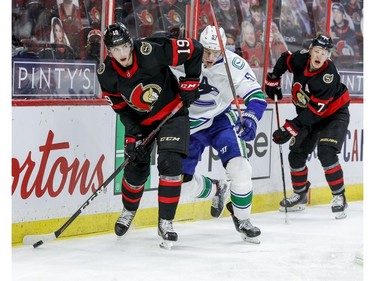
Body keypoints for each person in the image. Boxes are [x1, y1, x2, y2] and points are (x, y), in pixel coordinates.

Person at [96, 22, 203, 249]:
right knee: (135, 168)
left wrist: (191, 81)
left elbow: (195, 48)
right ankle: (128, 211)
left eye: (125, 47)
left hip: (172, 112)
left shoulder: (151, 51)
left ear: (131, 44)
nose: (122, 54)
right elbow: (121, 109)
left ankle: (165, 221)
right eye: (115, 50)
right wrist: (132, 135)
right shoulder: (106, 74)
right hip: (141, 122)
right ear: (109, 51)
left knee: (170, 163)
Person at [173, 25, 267, 243]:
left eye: (216, 52)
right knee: (182, 185)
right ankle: (217, 188)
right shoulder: (182, 57)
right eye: (206, 50)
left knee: (240, 168)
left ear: (224, 50)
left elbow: (256, 95)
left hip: (219, 120)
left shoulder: (234, 64)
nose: (210, 57)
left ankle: (243, 220)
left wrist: (251, 116)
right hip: (189, 123)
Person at [264, 34, 350, 219]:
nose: (320, 56)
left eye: (325, 53)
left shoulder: (328, 76)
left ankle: (339, 197)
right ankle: (301, 195)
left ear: (329, 56)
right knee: (296, 154)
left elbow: (315, 112)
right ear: (310, 50)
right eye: (317, 51)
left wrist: (290, 127)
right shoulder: (301, 58)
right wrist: (273, 78)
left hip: (334, 115)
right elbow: (284, 58)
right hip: (310, 115)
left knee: (326, 152)